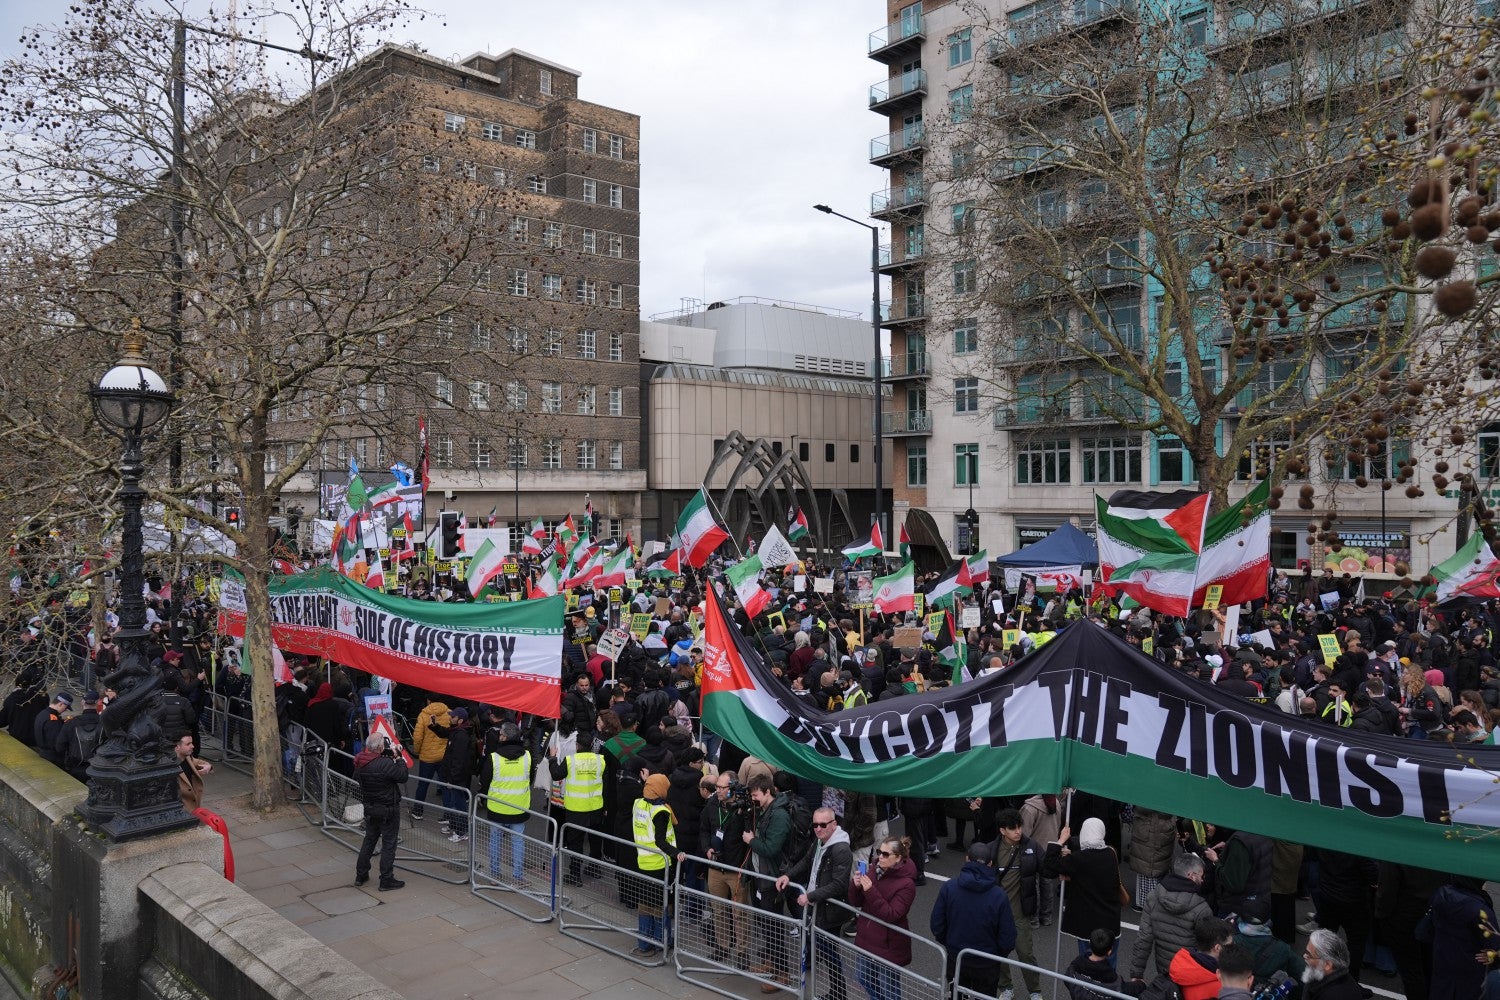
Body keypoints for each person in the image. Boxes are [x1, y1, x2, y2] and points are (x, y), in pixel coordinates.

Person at [778, 807, 853, 1000]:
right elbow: (806, 861)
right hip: (819, 906)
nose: (818, 829)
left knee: (830, 954)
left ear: (834, 824)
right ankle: (837, 993)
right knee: (827, 952)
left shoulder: (841, 849)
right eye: (815, 825)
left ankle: (839, 994)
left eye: (822, 825)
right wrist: (788, 875)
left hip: (831, 910)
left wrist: (810, 897)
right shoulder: (820, 842)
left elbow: (839, 884)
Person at [930, 841, 1018, 997]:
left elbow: (937, 925)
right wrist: (996, 955)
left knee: (955, 995)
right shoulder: (999, 896)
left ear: (966, 859)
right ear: (990, 864)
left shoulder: (949, 888)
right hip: (987, 963)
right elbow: (1008, 937)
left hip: (956, 958)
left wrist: (951, 943)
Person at [1043, 818, 1123, 965]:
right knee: (1110, 966)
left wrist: (1061, 840)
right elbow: (1092, 873)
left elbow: (1048, 865)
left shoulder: (1078, 859)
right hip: (1110, 921)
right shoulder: (1110, 853)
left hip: (1088, 925)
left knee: (1089, 965)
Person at [847, 836, 918, 1000]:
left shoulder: (907, 884)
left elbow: (892, 914)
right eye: (879, 852)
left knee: (889, 990)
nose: (880, 857)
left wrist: (870, 891)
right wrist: (856, 886)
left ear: (898, 858)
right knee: (863, 978)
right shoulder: (873, 868)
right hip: (867, 939)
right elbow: (855, 901)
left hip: (889, 945)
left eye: (886, 854)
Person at [1129, 852, 1214, 983]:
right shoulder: (1202, 908)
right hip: (1190, 973)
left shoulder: (1154, 896)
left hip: (1163, 970)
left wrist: (1137, 973)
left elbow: (1144, 937)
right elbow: (1206, 949)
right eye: (1201, 875)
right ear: (1191, 875)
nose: (1203, 880)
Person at [991, 808, 1045, 1000]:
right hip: (997, 914)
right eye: (1012, 828)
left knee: (1025, 954)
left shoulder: (1031, 846)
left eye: (1019, 826)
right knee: (999, 954)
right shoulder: (993, 849)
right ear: (1002, 830)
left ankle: (1035, 991)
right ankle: (1006, 987)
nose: (1018, 831)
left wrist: (1059, 851)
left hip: (1021, 912)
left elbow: (1047, 868)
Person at [700, 771, 751, 968]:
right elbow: (704, 829)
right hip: (715, 867)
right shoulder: (712, 804)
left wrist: (744, 812)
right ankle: (722, 945)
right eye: (717, 787)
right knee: (718, 910)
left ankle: (742, 951)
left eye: (722, 788)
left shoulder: (742, 808)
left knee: (739, 913)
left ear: (733, 788)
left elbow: (749, 834)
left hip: (736, 869)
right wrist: (707, 849)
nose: (718, 791)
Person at [631, 772, 681, 958]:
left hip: (642, 861)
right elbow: (661, 841)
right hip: (660, 864)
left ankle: (644, 944)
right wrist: (677, 853)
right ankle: (662, 942)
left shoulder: (638, 804)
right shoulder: (661, 811)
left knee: (644, 905)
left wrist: (645, 780)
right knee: (661, 907)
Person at [352, 731, 407, 892]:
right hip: (388, 809)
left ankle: (360, 875)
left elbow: (357, 780)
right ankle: (386, 879)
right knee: (389, 844)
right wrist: (398, 758)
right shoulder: (385, 764)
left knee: (369, 840)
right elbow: (403, 776)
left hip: (370, 807)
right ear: (381, 747)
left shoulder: (360, 761)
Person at [477, 723, 531, 886]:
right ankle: (518, 877)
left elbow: (484, 782)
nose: (499, 736)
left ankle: (494, 875)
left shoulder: (494, 757)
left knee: (495, 841)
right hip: (519, 807)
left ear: (505, 738)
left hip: (497, 808)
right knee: (518, 842)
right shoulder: (527, 756)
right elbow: (530, 778)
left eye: (500, 734)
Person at [1170, 914, 1233, 1000]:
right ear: (1217, 948)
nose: (1233, 947)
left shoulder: (1181, 963)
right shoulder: (1220, 988)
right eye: (1230, 945)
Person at [408, 695, 449, 820]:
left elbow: (418, 737)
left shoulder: (424, 715)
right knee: (445, 786)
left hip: (427, 757)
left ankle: (418, 811)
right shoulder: (449, 713)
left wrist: (417, 751)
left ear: (428, 700)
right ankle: (448, 814)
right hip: (443, 755)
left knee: (423, 785)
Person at [1301, 928, 1365, 999]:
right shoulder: (1336, 978)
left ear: (1327, 965)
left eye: (1309, 955)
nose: (1304, 956)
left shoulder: (1332, 995)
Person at [56, 690, 103, 783]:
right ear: (98, 702)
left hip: (76, 768)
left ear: (82, 702)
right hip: (99, 769)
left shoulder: (71, 723)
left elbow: (59, 747)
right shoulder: (105, 723)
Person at [1065, 929, 1124, 1000]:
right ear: (1109, 952)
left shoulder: (1076, 964)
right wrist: (1139, 984)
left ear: (1090, 944)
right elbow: (1121, 991)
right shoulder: (1113, 978)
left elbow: (1067, 980)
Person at [173, 732, 213, 812]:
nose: (193, 746)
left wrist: (208, 766)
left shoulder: (188, 758)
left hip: (194, 809)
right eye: (188, 744)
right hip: (181, 811)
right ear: (177, 747)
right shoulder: (171, 766)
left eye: (192, 743)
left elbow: (199, 762)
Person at [32, 691, 73, 766]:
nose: (65, 710)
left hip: (43, 752)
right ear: (60, 704)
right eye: (66, 707)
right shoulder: (53, 720)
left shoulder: (43, 713)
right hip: (53, 758)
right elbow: (56, 743)